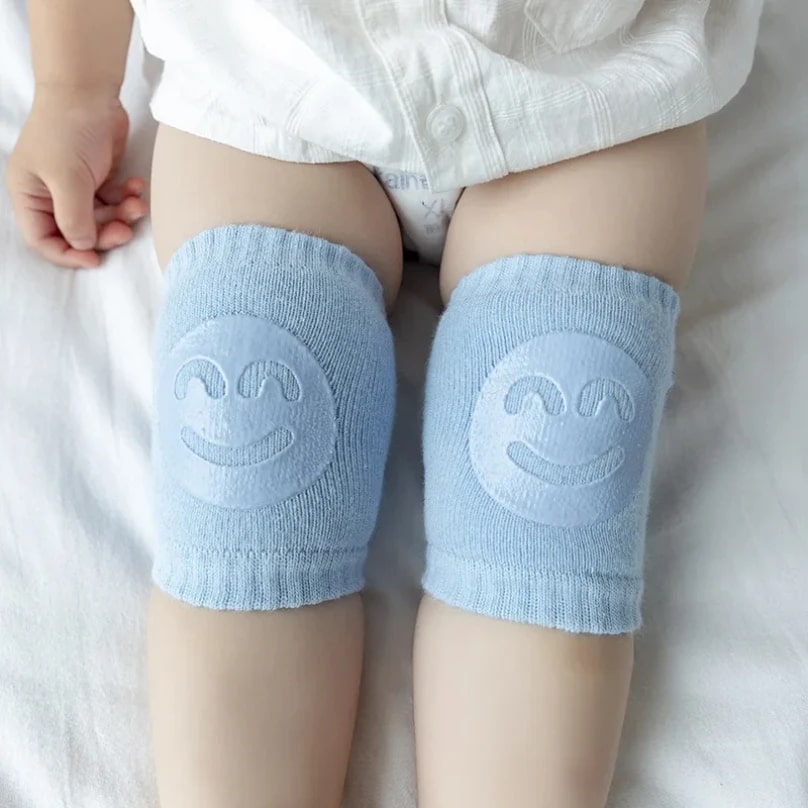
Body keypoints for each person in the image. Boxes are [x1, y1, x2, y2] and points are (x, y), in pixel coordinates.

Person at [6, 2, 762, 806]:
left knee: (552, 488)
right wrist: (74, 84)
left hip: (587, 93)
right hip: (271, 84)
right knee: (246, 472)